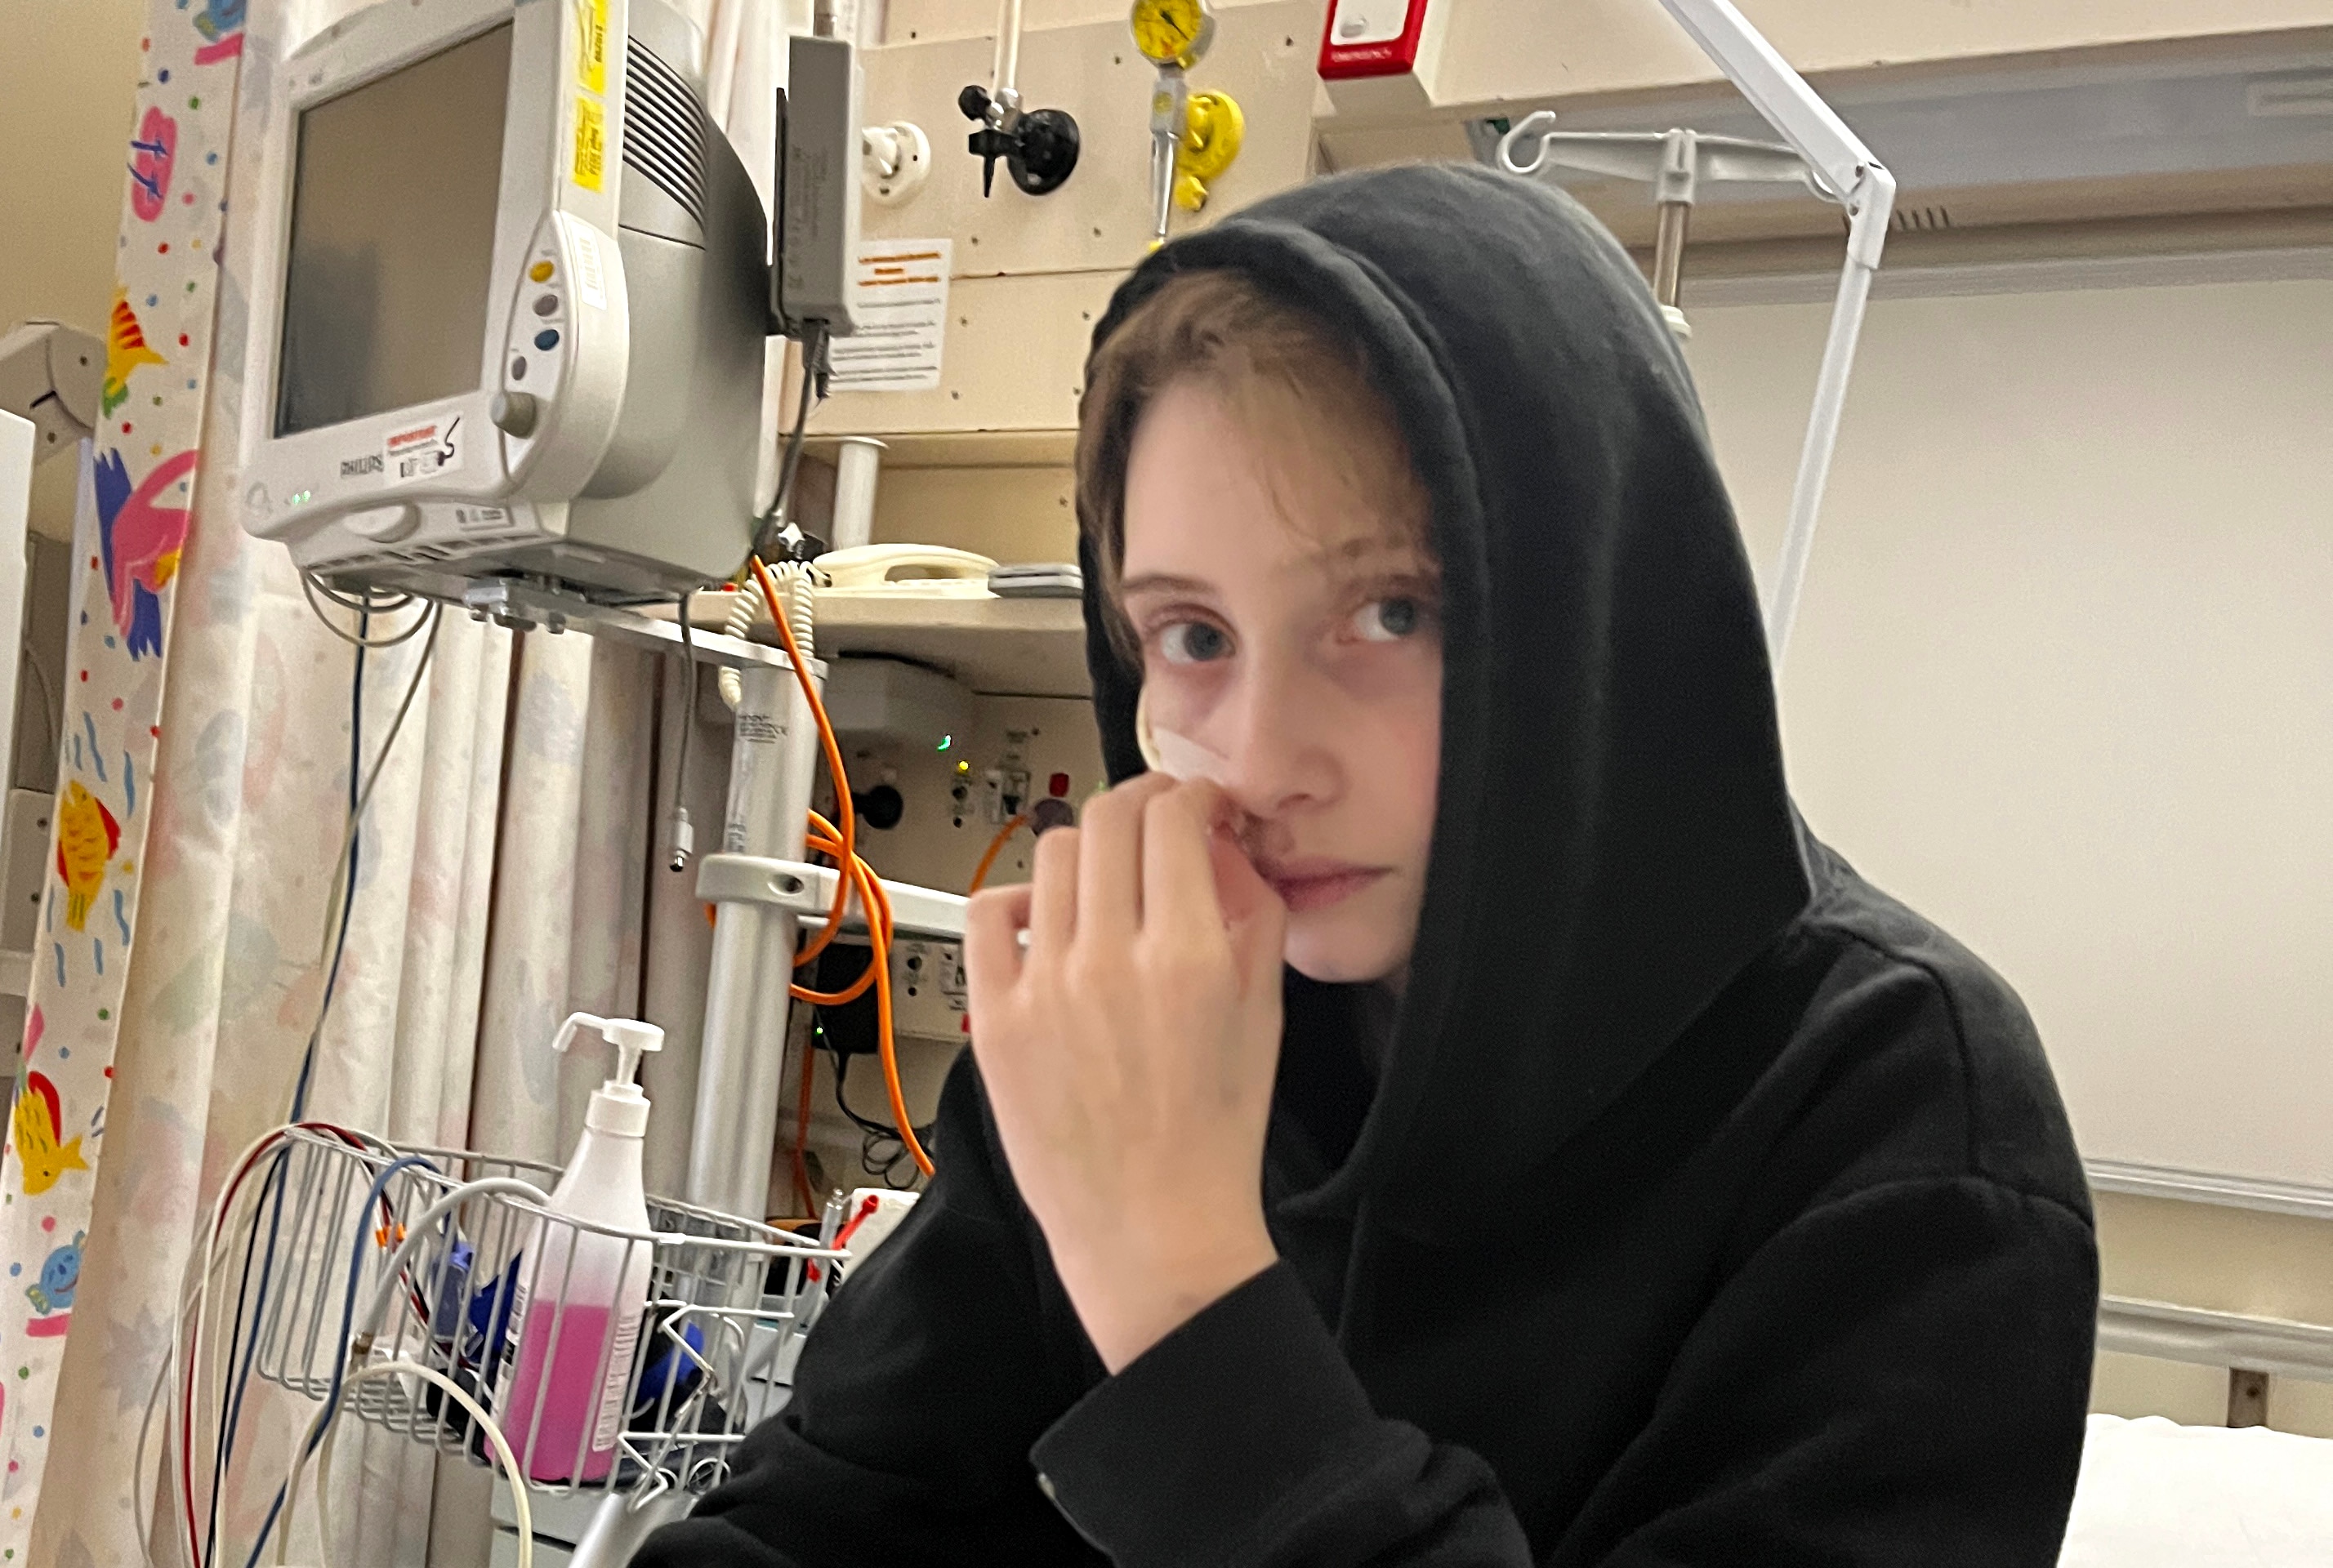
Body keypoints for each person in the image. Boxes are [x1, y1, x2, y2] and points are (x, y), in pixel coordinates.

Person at [637, 163, 2099, 1566]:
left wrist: (1180, 1289)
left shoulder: (1904, 1131)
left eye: (1392, 613)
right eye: (1193, 638)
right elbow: (820, 1519)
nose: (1265, 759)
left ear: (1598, 616)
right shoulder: (1137, 1021)